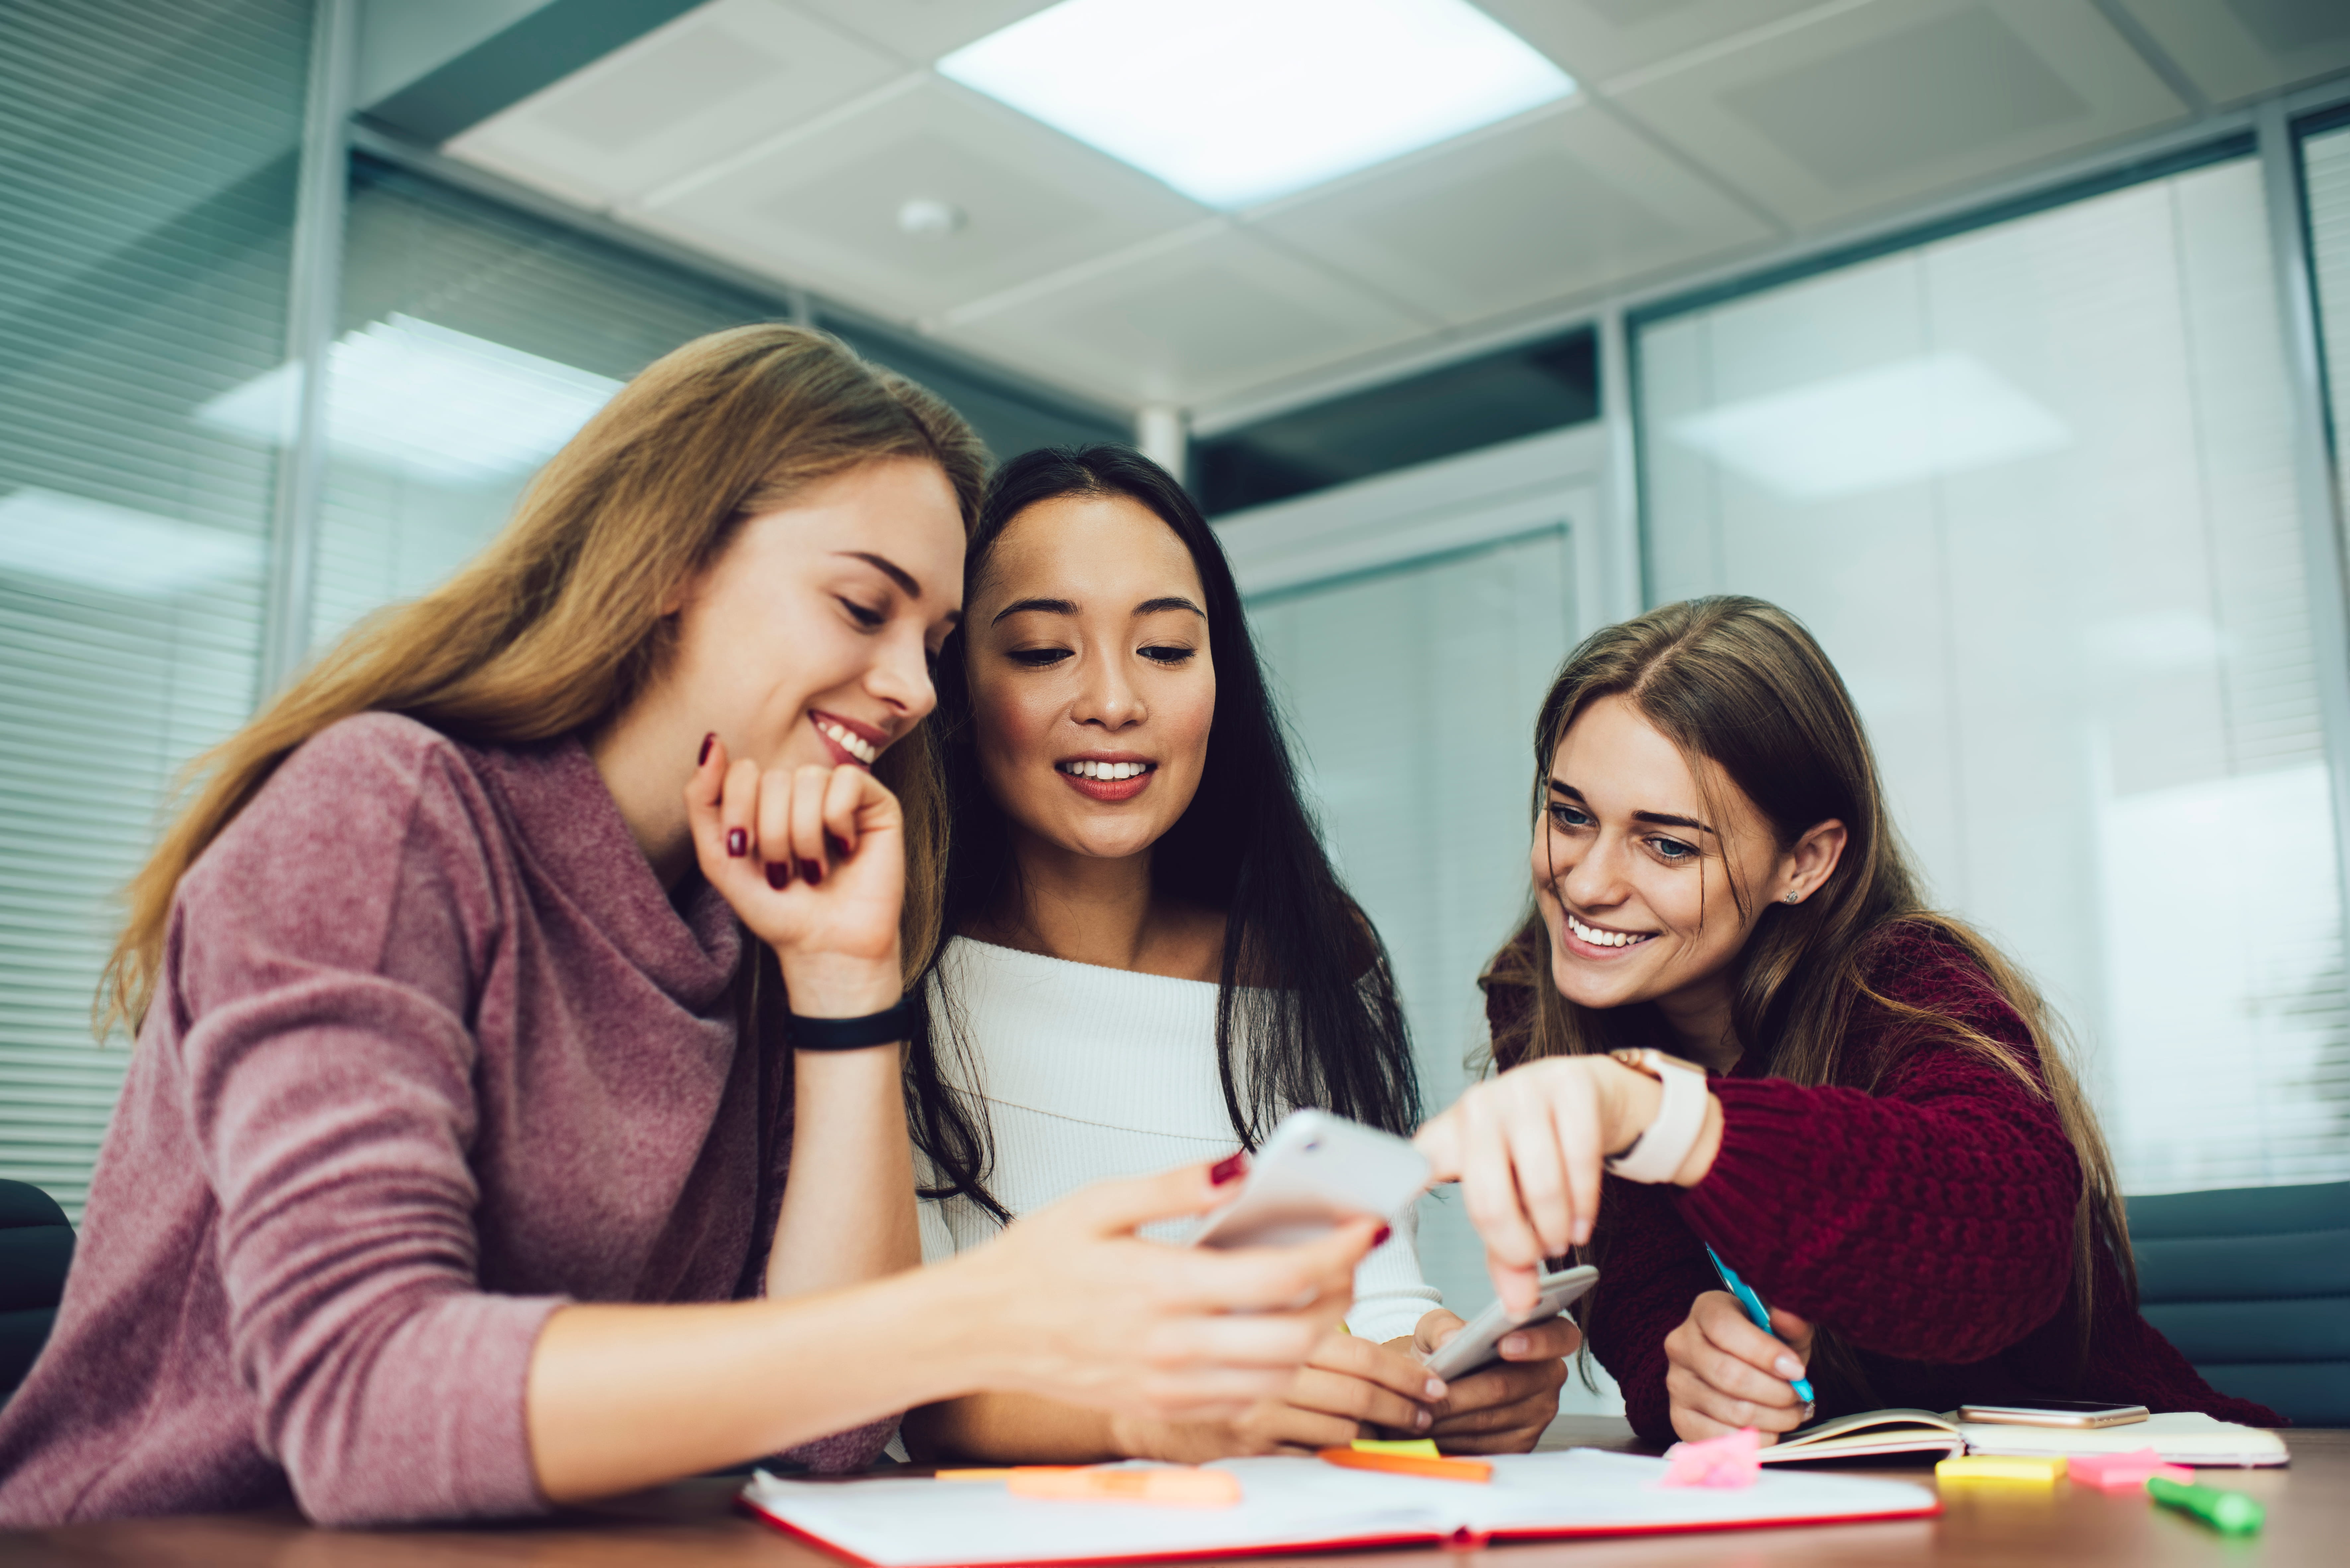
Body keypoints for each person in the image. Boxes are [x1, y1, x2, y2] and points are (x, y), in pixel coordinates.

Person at [0, 329, 1379, 1528]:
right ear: (669, 561)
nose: (909, 689)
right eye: (862, 608)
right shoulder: (389, 809)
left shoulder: (763, 907)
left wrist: (843, 982)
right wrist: (969, 1317)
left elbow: (824, 1432)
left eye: (937, 639)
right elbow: (367, 1401)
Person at [1413, 596, 2281, 1445]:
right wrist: (1688, 1365)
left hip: (2105, 1497)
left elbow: (2007, 1247)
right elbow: (1639, 1294)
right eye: (1569, 815)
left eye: (1667, 844)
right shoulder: (1545, 1000)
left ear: (1804, 862)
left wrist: (1660, 1115)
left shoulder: (1908, 980)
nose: (1586, 881)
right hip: (1827, 1512)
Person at [897, 446, 1573, 1465]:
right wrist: (1166, 1412)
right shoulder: (881, 967)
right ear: (952, 681)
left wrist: (1433, 1363)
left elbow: (1364, 1294)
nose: (1115, 701)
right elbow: (894, 1373)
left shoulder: (1309, 959)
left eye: (1166, 650)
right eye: (1043, 651)